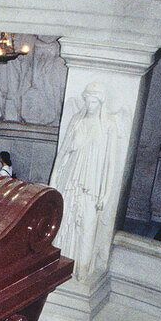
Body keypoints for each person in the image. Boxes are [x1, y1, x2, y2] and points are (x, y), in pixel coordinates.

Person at [49, 82, 121, 281]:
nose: (90, 105)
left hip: (92, 186)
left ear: (101, 103)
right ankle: (59, 266)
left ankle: (81, 270)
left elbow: (111, 163)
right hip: (71, 180)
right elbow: (62, 152)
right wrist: (54, 181)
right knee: (65, 224)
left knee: (87, 228)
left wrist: (106, 194)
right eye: (87, 100)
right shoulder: (77, 120)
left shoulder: (108, 126)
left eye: (94, 101)